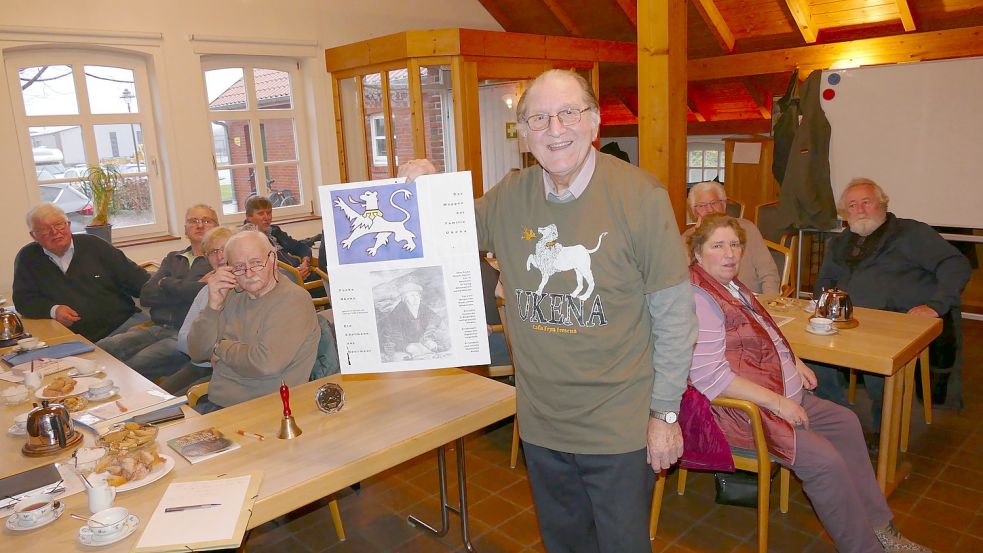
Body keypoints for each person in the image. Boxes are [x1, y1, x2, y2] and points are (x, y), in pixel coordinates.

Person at [400, 69, 697, 552]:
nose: (555, 129)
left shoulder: (641, 197)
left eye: (568, 113)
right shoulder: (509, 196)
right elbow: (444, 235)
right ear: (523, 131)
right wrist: (427, 191)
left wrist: (665, 415)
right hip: (541, 422)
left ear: (594, 122)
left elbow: (675, 316)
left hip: (618, 426)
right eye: (539, 118)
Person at [687, 214, 930, 553]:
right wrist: (779, 403)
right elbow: (709, 378)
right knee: (825, 463)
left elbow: (766, 332)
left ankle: (880, 527)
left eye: (734, 244)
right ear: (698, 254)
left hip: (784, 395)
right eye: (718, 246)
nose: (730, 254)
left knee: (845, 422)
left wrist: (794, 362)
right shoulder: (701, 299)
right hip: (748, 415)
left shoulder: (732, 285)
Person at [812, 178, 970, 425]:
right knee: (810, 356)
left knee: (878, 357)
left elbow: (955, 264)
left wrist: (936, 305)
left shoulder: (911, 233)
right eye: (852, 205)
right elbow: (826, 280)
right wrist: (821, 306)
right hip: (846, 323)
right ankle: (839, 416)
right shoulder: (840, 243)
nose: (860, 210)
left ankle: (883, 426)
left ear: (882, 204)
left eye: (867, 202)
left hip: (894, 323)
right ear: (846, 213)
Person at [186, 230, 318, 413]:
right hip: (217, 403)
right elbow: (197, 351)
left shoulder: (293, 299)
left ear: (272, 258)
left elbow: (265, 363)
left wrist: (219, 348)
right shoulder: (232, 295)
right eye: (239, 267)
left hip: (263, 410)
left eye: (256, 263)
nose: (248, 273)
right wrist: (213, 306)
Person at [98, 205, 218, 380]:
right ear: (185, 229)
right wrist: (191, 288)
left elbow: (202, 297)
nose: (200, 225)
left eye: (206, 221)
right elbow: (146, 295)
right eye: (193, 221)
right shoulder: (173, 258)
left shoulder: (218, 260)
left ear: (216, 226)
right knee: (103, 347)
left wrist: (166, 283)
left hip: (185, 336)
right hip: (157, 327)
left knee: (132, 367)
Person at [13, 203, 150, 342]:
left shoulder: (95, 246)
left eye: (59, 225)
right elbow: (23, 301)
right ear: (33, 235)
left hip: (124, 325)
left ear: (69, 225)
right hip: (77, 339)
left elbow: (141, 282)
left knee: (163, 345)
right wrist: (54, 310)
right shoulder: (28, 258)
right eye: (44, 229)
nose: (55, 232)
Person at [160, 226, 233, 395]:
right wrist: (201, 347)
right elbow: (183, 339)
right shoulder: (205, 291)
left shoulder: (242, 288)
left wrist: (205, 345)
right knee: (159, 398)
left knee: (178, 404)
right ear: (207, 258)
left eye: (224, 249)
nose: (220, 256)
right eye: (213, 252)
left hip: (223, 370)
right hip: (198, 364)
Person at [681, 181, 781, 295]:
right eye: (702, 205)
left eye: (714, 203)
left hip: (750, 303)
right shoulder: (687, 239)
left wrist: (767, 305)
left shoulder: (747, 229)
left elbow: (769, 273)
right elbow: (686, 280)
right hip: (710, 304)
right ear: (694, 211)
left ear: (724, 204)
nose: (710, 210)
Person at [244, 195, 313, 278]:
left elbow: (300, 247)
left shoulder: (275, 231)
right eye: (261, 213)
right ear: (249, 217)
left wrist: (305, 262)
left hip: (298, 273)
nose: (267, 217)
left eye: (269, 213)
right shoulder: (246, 240)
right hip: (281, 280)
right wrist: (293, 274)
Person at [378, 281, 447, 361]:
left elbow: (435, 319)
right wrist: (405, 346)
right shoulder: (397, 313)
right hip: (404, 344)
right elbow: (393, 335)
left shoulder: (422, 307)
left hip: (421, 341)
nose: (416, 298)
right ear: (405, 299)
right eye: (412, 295)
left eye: (417, 295)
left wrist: (428, 338)